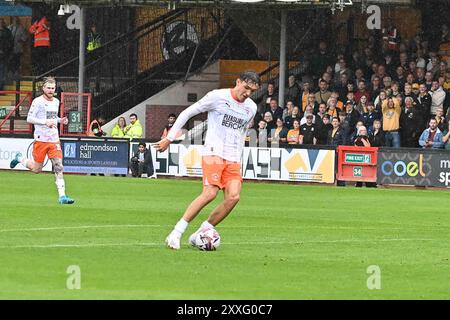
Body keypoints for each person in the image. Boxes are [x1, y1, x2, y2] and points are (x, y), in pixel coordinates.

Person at [154, 70, 260, 250]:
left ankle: (202, 231)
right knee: (210, 193)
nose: (248, 93)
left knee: (233, 197)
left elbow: (241, 132)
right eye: (246, 87)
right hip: (213, 152)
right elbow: (187, 113)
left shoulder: (251, 107)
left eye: (252, 91)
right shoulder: (217, 97)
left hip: (233, 157)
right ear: (238, 81)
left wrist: (239, 157)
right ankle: (176, 232)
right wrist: (169, 138)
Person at [9, 77, 74, 204]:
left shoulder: (56, 101)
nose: (50, 90)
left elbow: (52, 117)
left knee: (58, 166)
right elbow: (29, 118)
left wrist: (60, 120)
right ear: (43, 88)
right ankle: (20, 158)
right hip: (41, 140)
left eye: (52, 88)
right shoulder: (37, 101)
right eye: (48, 88)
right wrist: (45, 122)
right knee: (36, 169)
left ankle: (62, 196)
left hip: (54, 139)